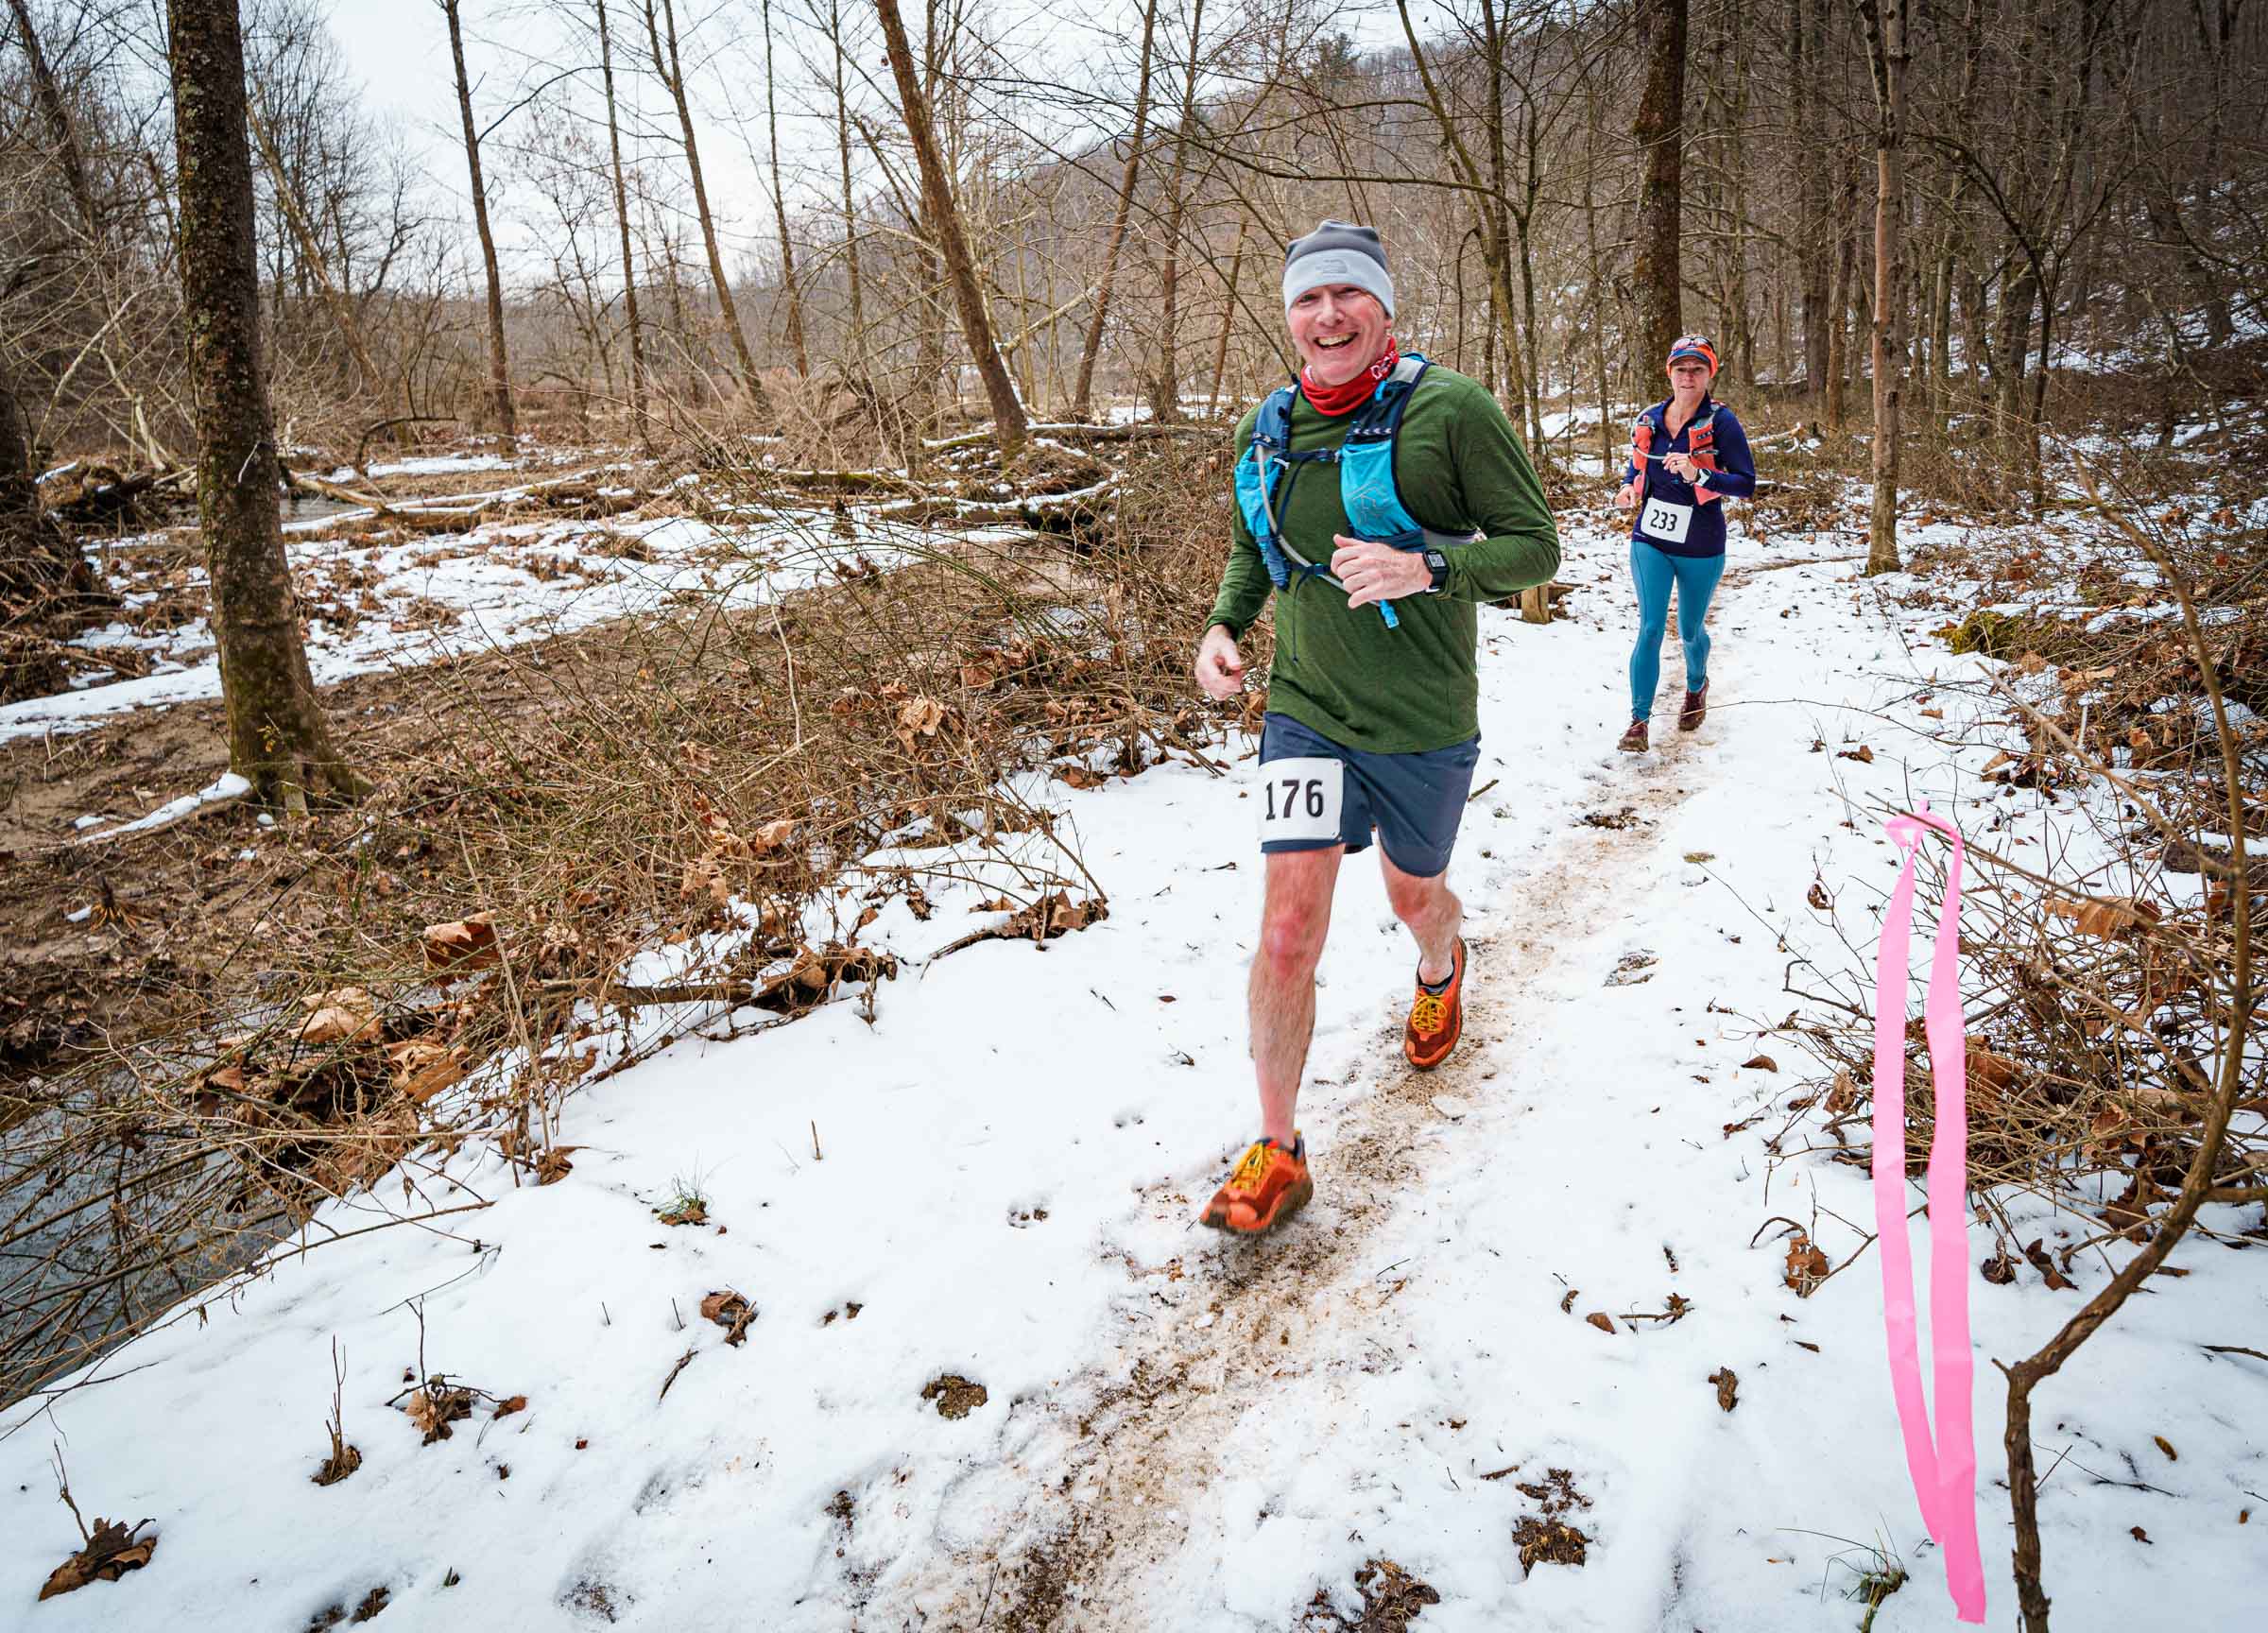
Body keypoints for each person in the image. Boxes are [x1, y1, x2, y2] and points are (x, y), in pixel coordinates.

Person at [1190, 220, 1561, 1236]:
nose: (1328, 314)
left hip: (1423, 720)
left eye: (1348, 294)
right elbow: (1253, 550)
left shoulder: (1452, 410)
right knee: (1286, 929)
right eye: (1308, 299)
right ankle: (1279, 1147)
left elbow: (1537, 550)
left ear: (1384, 308)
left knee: (1414, 895)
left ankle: (1442, 966)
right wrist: (1225, 625)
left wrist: (1429, 566)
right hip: (1308, 711)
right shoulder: (1265, 428)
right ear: (1290, 319)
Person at [1613, 335, 1756, 751]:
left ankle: (1697, 685)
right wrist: (1627, 489)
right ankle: (1639, 722)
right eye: (1681, 369)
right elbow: (1636, 467)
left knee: (1690, 630)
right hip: (1650, 538)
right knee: (1651, 627)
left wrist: (1701, 474)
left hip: (1701, 543)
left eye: (1697, 369)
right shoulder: (1650, 420)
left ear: (1710, 373)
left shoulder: (1722, 423)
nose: (1688, 376)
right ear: (1669, 373)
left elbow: (1746, 484)